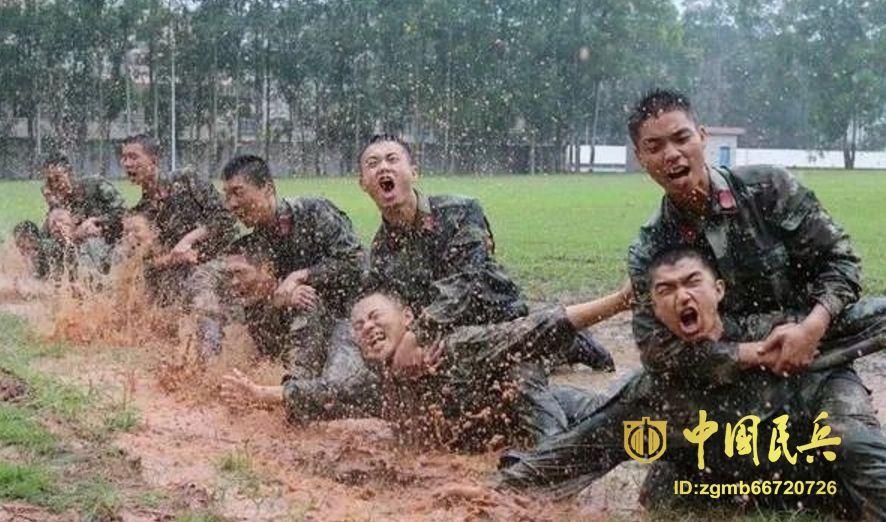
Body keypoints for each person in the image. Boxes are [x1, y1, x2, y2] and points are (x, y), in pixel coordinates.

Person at [497, 247, 886, 520]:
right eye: (664, 290)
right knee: (660, 485)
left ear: (718, 290)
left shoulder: (777, 333)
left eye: (692, 282)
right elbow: (577, 452)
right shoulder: (658, 390)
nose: (681, 296)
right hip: (722, 465)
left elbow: (868, 318)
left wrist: (810, 334)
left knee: (849, 456)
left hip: (798, 455)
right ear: (651, 306)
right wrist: (497, 495)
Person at [220, 283, 632, 452]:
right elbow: (318, 395)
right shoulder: (372, 386)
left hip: (548, 410)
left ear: (410, 321)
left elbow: (539, 325)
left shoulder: (454, 349)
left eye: (376, 316)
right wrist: (257, 394)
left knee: (632, 422)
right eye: (359, 325)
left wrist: (618, 301)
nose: (367, 327)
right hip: (496, 451)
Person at [359, 134, 613, 370]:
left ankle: (570, 341)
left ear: (414, 172)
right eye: (372, 163)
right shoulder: (381, 251)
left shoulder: (460, 211)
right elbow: (397, 308)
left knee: (542, 358)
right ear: (363, 184)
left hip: (498, 317)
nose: (383, 167)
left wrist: (417, 335)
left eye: (392, 159)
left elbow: (467, 281)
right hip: (446, 334)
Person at [219, 155, 369, 393]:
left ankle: (296, 391)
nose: (231, 204)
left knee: (339, 388)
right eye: (227, 196)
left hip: (346, 316)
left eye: (238, 192)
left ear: (268, 188)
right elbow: (252, 302)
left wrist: (301, 275)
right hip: (299, 328)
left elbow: (356, 262)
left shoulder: (313, 212)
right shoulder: (252, 244)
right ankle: (288, 385)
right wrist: (278, 299)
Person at [119, 134, 236, 355]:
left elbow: (225, 218)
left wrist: (189, 240)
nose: (127, 164)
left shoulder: (186, 180)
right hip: (179, 273)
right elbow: (145, 264)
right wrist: (172, 258)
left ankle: (208, 362)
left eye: (134, 157)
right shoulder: (140, 213)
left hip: (220, 260)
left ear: (153, 160)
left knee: (201, 283)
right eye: (124, 158)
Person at [40, 155, 126, 247]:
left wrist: (99, 223)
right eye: (49, 182)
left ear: (69, 173)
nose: (55, 185)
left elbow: (124, 213)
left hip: (112, 246)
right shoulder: (59, 206)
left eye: (57, 178)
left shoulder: (96, 186)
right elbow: (43, 240)